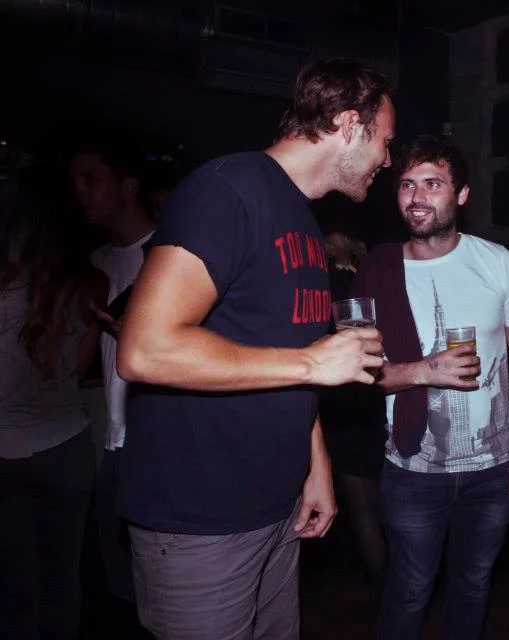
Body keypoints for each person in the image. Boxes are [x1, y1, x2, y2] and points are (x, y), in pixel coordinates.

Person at [114, 58, 393, 640]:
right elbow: (145, 348)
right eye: (385, 143)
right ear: (349, 126)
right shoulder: (229, 188)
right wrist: (315, 360)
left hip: (276, 507)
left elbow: (290, 358)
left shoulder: (303, 219)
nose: (387, 160)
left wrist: (316, 466)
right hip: (200, 519)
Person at [351, 134, 509, 640]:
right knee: (409, 591)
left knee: (473, 586)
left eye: (432, 184)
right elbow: (353, 374)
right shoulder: (379, 269)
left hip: (493, 470)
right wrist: (423, 371)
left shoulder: (496, 262)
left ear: (461, 194)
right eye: (407, 184)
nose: (417, 197)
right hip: (413, 470)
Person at [0, 165, 107, 639]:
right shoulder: (91, 282)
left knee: (16, 587)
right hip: (67, 445)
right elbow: (77, 370)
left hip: (6, 450)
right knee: (62, 581)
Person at [68, 135, 155, 622]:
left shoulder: (168, 257)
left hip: (152, 443)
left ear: (127, 187)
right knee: (114, 582)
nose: (80, 192)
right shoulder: (93, 264)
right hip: (106, 439)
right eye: (75, 181)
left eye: (91, 179)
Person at [318, 229, 387, 594]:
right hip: (370, 401)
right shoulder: (377, 273)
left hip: (350, 402)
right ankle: (395, 592)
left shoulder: (330, 282)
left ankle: (386, 593)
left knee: (364, 508)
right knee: (375, 506)